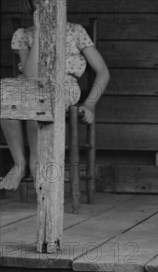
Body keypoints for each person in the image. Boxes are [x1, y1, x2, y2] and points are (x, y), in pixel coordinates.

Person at [0, 0, 110, 191]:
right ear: (32, 6)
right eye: (38, 1)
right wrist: (41, 32)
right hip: (29, 85)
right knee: (6, 95)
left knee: (36, 103)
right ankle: (19, 164)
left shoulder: (75, 31)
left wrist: (90, 104)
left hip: (62, 86)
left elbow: (102, 72)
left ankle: (37, 161)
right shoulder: (23, 34)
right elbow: (32, 75)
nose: (45, 5)